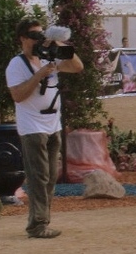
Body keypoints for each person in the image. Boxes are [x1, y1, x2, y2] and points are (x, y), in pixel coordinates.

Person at [5, 17, 84, 238]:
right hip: (32, 127)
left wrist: (56, 42)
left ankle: (43, 221)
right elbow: (18, 95)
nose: (38, 40)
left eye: (41, 35)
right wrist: (40, 74)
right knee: (38, 176)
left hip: (52, 125)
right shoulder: (16, 64)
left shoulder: (48, 58)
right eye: (34, 36)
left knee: (49, 177)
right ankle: (37, 225)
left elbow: (77, 66)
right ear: (22, 38)